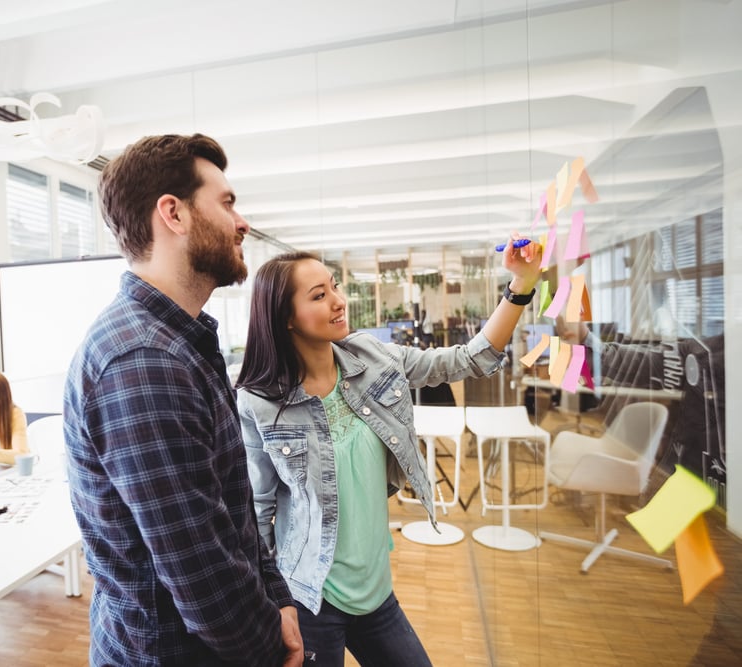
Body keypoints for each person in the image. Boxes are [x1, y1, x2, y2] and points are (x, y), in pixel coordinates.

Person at [235, 245, 542, 667]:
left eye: (335, 287)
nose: (339, 301)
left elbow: (473, 358)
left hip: (376, 592)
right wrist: (275, 604)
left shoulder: (374, 358)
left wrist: (521, 286)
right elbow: (256, 513)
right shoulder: (259, 403)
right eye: (318, 295)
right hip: (310, 598)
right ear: (286, 317)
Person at [63, 133, 302, 666]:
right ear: (173, 213)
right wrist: (271, 646)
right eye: (227, 202)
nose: (241, 223)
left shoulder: (179, 341)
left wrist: (278, 597)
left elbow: (229, 507)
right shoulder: (143, 361)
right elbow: (202, 571)